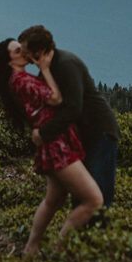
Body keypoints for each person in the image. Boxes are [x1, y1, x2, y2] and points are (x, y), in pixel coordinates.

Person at [0, 38, 103, 255]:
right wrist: (45, 69)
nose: (24, 51)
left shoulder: (18, 79)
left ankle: (32, 248)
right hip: (58, 147)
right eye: (17, 50)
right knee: (93, 200)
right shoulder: (22, 80)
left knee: (54, 200)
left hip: (52, 143)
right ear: (9, 60)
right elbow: (56, 99)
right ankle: (58, 249)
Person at [18, 25, 119, 210]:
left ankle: (97, 237)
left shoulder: (66, 64)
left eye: (25, 52)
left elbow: (74, 108)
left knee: (99, 197)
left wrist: (44, 133)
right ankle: (79, 237)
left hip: (99, 133)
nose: (23, 57)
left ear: (39, 51)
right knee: (81, 196)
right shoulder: (47, 69)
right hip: (81, 137)